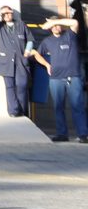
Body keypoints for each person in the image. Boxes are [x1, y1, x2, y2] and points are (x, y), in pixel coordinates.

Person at [27, 8, 84, 142]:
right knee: (59, 107)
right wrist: (47, 65)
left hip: (73, 77)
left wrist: (55, 21)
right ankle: (62, 134)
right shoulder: (47, 41)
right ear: (50, 29)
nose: (56, 27)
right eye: (53, 26)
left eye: (57, 25)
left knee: (77, 106)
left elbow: (75, 22)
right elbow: (36, 54)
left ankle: (83, 134)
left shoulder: (70, 35)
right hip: (56, 78)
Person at [0, 6, 31, 121]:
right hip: (6, 62)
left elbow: (29, 38)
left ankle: (22, 110)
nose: (8, 15)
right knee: (9, 86)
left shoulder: (21, 25)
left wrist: (28, 50)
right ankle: (13, 110)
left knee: (22, 85)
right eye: (5, 14)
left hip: (20, 60)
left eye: (9, 13)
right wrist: (0, 15)